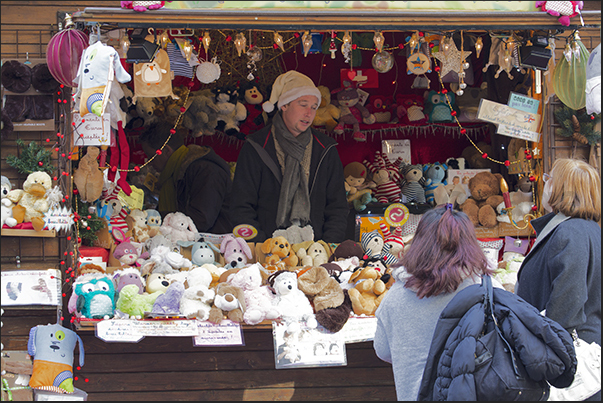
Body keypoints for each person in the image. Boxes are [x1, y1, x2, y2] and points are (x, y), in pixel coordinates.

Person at [373, 205, 495, 401]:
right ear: (470, 243)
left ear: (419, 244)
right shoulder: (488, 289)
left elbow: (384, 351)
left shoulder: (395, 297)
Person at [515, 158, 601, 401]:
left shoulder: (569, 233)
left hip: (568, 363)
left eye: (547, 178)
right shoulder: (586, 229)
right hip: (576, 354)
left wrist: (543, 356)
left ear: (560, 188)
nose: (544, 184)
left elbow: (567, 306)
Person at [230, 70, 349, 243]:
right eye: (303, 104)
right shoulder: (256, 147)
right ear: (284, 105)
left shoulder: (326, 149)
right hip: (267, 250)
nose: (309, 113)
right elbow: (241, 207)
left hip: (315, 251)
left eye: (314, 107)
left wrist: (327, 246)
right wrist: (262, 245)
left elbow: (337, 207)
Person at [138, 121, 233, 234]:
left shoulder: (206, 170)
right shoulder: (173, 174)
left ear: (166, 151)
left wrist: (152, 216)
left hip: (211, 247)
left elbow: (201, 219)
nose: (149, 163)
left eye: (150, 156)